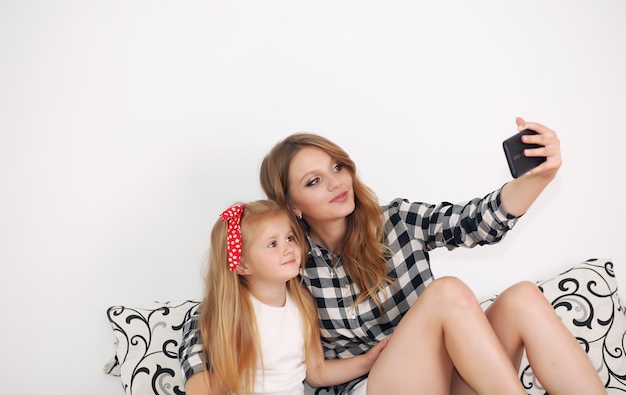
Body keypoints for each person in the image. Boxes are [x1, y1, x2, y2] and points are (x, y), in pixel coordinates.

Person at [181, 118, 607, 395]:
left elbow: (474, 222)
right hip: (376, 388)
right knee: (446, 293)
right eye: (314, 181)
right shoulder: (291, 260)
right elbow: (221, 312)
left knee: (523, 298)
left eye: (337, 167)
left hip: (445, 380)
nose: (335, 183)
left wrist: (540, 176)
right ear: (291, 205)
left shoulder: (396, 220)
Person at [183, 199, 389, 395]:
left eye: (289, 238)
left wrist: (367, 361)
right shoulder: (237, 312)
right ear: (242, 265)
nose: (288, 248)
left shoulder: (302, 302)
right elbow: (219, 383)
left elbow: (317, 372)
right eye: (272, 244)